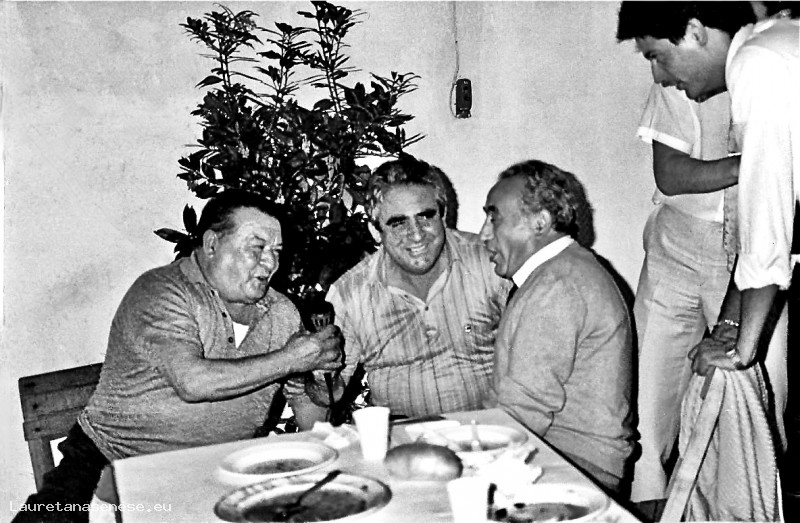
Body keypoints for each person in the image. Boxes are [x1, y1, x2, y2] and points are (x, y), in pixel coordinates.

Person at [14, 190, 343, 522]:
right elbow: (192, 382)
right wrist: (291, 358)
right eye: (257, 248)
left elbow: (311, 422)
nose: (270, 263)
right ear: (212, 244)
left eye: (276, 252)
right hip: (108, 464)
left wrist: (317, 383)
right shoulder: (161, 290)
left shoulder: (282, 313)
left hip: (216, 472)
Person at [617, 0, 796, 497]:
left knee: (755, 413)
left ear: (694, 31)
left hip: (749, 258)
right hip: (686, 246)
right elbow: (755, 223)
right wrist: (734, 328)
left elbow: (768, 225)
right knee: (651, 408)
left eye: (657, 56)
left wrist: (741, 345)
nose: (658, 74)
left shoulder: (758, 62)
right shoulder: (768, 46)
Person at [479, 159, 635, 495]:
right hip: (562, 459)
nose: (484, 234)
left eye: (494, 218)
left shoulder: (556, 285)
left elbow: (520, 414)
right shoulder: (562, 272)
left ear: (541, 222)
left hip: (575, 470)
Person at [324, 154, 511, 417]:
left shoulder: (489, 262)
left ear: (443, 216)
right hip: (403, 436)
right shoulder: (349, 294)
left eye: (425, 217)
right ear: (376, 231)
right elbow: (329, 391)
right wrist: (315, 374)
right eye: (398, 223)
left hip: (491, 430)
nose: (416, 234)